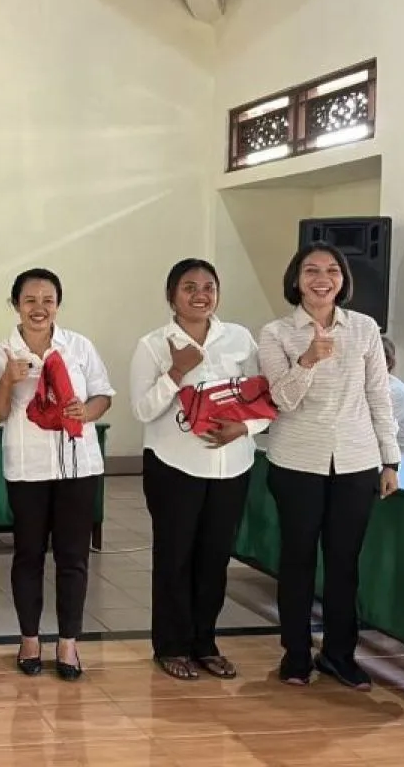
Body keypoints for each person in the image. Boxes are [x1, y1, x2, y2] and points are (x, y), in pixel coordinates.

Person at [258, 242, 399, 690]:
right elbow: (281, 399)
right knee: (297, 560)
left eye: (332, 270)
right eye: (311, 271)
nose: (322, 279)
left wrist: (390, 458)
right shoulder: (276, 333)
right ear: (296, 280)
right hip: (296, 460)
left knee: (344, 562)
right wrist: (308, 360)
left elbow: (379, 394)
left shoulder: (364, 328)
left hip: (356, 461)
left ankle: (339, 655)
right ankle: (296, 654)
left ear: (343, 279)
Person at [130, 258, 267, 682]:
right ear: (172, 296)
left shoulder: (239, 338)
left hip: (232, 465)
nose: (200, 295)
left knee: (214, 560)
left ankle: (205, 643)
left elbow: (262, 397)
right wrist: (177, 371)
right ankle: (171, 646)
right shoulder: (153, 344)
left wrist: (244, 428)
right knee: (175, 559)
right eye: (189, 287)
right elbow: (142, 409)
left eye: (209, 287)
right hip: (174, 466)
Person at [0, 268, 113, 681]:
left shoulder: (79, 346)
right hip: (28, 469)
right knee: (29, 555)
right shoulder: (0, 354)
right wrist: (8, 380)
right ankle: (29, 639)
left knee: (73, 557)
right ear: (15, 304)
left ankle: (69, 642)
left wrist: (86, 411)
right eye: (30, 300)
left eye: (47, 300)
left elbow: (103, 395)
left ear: (58, 304)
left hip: (78, 466)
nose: (39, 308)